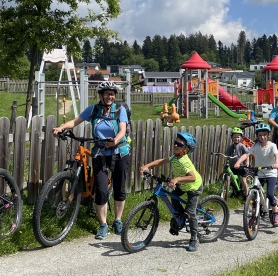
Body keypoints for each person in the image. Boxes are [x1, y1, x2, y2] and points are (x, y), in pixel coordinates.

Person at [53, 81, 129, 240]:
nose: (110, 96)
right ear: (101, 95)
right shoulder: (93, 110)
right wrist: (61, 127)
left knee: (119, 187)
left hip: (119, 152)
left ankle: (118, 220)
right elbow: (75, 121)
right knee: (101, 189)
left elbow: (122, 129)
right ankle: (103, 225)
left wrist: (115, 140)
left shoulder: (120, 110)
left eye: (112, 94)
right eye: (107, 94)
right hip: (100, 153)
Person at [139, 132, 202, 252]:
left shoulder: (184, 161)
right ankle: (180, 220)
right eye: (175, 143)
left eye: (179, 144)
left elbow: (192, 177)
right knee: (173, 196)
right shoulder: (175, 157)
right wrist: (147, 166)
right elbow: (161, 161)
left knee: (190, 213)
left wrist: (177, 179)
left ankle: (194, 238)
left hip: (194, 187)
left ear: (186, 149)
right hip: (183, 186)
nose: (176, 146)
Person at [235, 122, 278, 226]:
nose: (262, 137)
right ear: (257, 136)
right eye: (260, 135)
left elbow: (276, 155)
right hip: (259, 173)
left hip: (271, 173)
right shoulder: (255, 146)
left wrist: (276, 163)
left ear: (268, 135)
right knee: (254, 194)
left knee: (270, 194)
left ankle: (275, 213)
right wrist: (238, 162)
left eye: (264, 135)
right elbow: (247, 154)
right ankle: (254, 216)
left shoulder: (272, 146)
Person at [225, 126, 250, 196]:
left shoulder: (242, 146)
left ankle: (246, 194)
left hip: (241, 166)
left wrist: (247, 163)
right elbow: (227, 155)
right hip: (233, 166)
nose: (236, 139)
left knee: (243, 180)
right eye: (235, 137)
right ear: (232, 138)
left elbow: (247, 154)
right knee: (232, 179)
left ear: (241, 138)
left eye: (238, 137)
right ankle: (235, 192)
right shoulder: (230, 147)